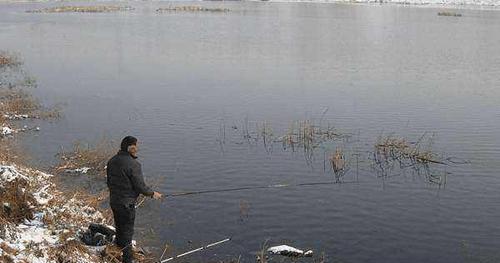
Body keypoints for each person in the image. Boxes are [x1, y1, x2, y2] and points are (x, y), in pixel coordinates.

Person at [106, 136, 162, 263]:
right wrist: (153, 193)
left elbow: (109, 182)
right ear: (130, 147)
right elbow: (140, 186)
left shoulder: (111, 161)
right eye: (136, 146)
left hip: (114, 201)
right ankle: (127, 259)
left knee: (119, 227)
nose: (137, 148)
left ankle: (118, 251)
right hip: (127, 204)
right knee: (127, 232)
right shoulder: (134, 164)